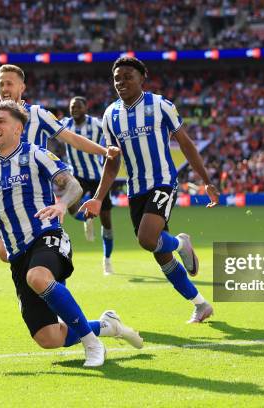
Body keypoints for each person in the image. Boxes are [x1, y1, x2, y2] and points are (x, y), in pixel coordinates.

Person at [0, 101, 142, 367]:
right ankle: (107, 325)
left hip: (48, 236)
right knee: (48, 338)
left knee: (37, 276)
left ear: (18, 129)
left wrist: (61, 204)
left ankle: (92, 344)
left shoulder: (36, 154)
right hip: (17, 253)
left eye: (0, 121)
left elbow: (72, 185)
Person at [79, 56, 220, 323]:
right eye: (117, 78)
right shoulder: (110, 115)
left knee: (146, 239)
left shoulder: (160, 105)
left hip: (163, 182)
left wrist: (206, 180)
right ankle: (200, 304)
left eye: (127, 77)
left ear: (142, 78)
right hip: (136, 189)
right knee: (161, 255)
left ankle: (181, 243)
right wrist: (98, 198)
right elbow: (112, 162)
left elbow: (187, 144)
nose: (121, 82)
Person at [0, 64, 118, 263]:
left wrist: (104, 150)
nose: (4, 89)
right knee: (5, 253)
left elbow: (71, 138)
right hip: (5, 195)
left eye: (9, 84)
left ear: (22, 87)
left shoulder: (38, 114)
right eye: (0, 84)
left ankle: (52, 266)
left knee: (41, 248)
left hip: (37, 193)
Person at [62, 96, 116, 275]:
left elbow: (112, 136)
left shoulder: (97, 124)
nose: (74, 109)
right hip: (77, 175)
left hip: (98, 176)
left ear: (86, 108)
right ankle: (87, 219)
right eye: (72, 107)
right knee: (70, 207)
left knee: (107, 221)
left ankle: (107, 260)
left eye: (78, 106)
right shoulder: (65, 124)